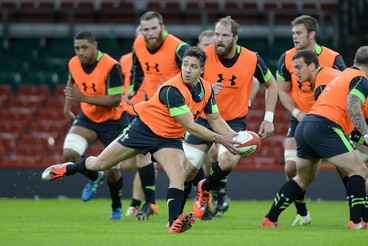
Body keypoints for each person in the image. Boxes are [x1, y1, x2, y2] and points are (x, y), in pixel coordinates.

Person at [42, 46, 241, 233]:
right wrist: (221, 139)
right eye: (185, 64)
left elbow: (215, 119)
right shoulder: (173, 89)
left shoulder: (206, 89)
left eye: (193, 66)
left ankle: (173, 223)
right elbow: (190, 125)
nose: (187, 70)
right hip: (143, 130)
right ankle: (67, 169)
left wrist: (236, 137)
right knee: (100, 164)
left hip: (168, 139)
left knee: (179, 173)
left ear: (202, 70)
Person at [261, 46, 368, 230]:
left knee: (302, 179)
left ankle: (270, 219)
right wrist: (367, 134)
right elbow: (353, 104)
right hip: (325, 125)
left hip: (305, 125)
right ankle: (357, 221)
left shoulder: (344, 74)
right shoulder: (360, 79)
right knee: (359, 170)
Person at [182, 16, 278, 219]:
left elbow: (271, 84)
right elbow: (184, 83)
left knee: (229, 160)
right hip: (204, 118)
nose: (219, 39)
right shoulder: (204, 56)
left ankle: (205, 188)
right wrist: (206, 88)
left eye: (225, 35)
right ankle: (176, 217)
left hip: (232, 121)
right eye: (217, 34)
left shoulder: (252, 58)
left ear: (235, 38)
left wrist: (268, 117)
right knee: (189, 169)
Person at [293, 50, 368, 226]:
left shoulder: (337, 74)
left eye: (298, 67)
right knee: (353, 168)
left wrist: (367, 134)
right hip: (359, 121)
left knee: (354, 168)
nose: (296, 72)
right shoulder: (346, 74)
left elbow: (352, 103)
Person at [276, 15, 347, 225]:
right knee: (290, 168)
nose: (294, 37)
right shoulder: (286, 58)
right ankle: (303, 214)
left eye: (298, 33)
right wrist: (297, 113)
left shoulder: (333, 58)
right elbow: (282, 91)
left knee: (347, 168)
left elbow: (346, 86)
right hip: (301, 119)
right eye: (293, 33)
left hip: (329, 119)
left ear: (312, 34)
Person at [124, 11, 191, 220]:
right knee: (142, 155)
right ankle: (150, 203)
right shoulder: (138, 44)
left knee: (189, 165)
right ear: (141, 31)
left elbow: (195, 73)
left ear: (162, 26)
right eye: (146, 29)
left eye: (154, 28)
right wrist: (134, 89)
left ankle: (207, 197)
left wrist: (176, 89)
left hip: (178, 111)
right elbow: (138, 68)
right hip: (153, 109)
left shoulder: (179, 48)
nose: (150, 33)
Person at [61, 31, 128, 220]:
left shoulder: (111, 66)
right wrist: (67, 109)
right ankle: (94, 177)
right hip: (88, 118)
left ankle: (116, 207)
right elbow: (71, 84)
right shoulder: (73, 63)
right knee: (69, 154)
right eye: (77, 48)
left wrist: (84, 98)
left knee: (113, 171)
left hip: (113, 121)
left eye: (85, 47)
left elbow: (115, 100)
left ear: (95, 46)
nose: (80, 52)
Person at [119, 25, 150, 217]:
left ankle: (136, 203)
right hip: (127, 113)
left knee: (143, 159)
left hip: (147, 113)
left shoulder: (160, 59)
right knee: (129, 165)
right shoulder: (124, 60)